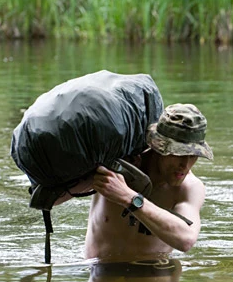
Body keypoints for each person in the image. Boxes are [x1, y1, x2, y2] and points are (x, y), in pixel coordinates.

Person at [84, 103, 213, 261]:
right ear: (158, 147)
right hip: (102, 275)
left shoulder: (190, 187)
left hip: (157, 278)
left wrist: (128, 197)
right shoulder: (116, 168)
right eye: (178, 154)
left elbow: (185, 239)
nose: (185, 165)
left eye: (193, 155)